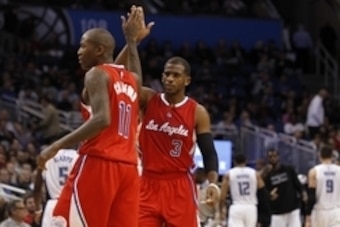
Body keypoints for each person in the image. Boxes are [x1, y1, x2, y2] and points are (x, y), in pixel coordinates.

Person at [36, 6, 146, 227]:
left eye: (83, 45)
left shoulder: (95, 74)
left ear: (98, 50)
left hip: (99, 162)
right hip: (129, 168)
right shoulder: (131, 79)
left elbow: (102, 119)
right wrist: (132, 41)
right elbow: (129, 72)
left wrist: (56, 145)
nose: (78, 51)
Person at [136, 38, 219, 226]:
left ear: (187, 80)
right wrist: (132, 43)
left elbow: (208, 152)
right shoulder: (149, 99)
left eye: (176, 75)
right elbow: (132, 81)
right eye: (166, 74)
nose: (170, 78)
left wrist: (212, 183)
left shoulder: (197, 112)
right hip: (148, 182)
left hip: (179, 184)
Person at [220, 153, 270, 227]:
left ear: (234, 162)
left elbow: (223, 196)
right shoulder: (255, 174)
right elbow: (263, 192)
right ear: (246, 161)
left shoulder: (229, 174)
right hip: (251, 207)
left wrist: (221, 209)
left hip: (236, 206)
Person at [33, 148, 79, 227]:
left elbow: (37, 187)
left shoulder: (47, 156)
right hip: (74, 205)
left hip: (53, 205)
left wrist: (38, 210)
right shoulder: (79, 156)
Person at [265, 149, 306, 227]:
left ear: (278, 157)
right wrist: (269, 196)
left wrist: (303, 193)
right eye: (270, 157)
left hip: (293, 209)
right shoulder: (267, 175)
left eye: (274, 156)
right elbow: (264, 192)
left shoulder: (288, 169)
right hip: (277, 212)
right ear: (267, 158)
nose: (273, 158)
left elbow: (298, 185)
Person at [305, 146, 340, 227]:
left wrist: (307, 216)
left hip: (319, 211)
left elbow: (311, 197)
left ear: (319, 155)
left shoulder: (313, 172)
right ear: (332, 156)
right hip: (336, 211)